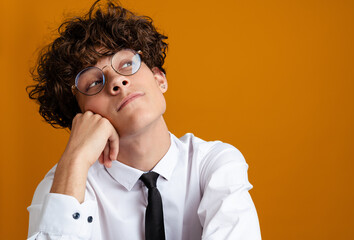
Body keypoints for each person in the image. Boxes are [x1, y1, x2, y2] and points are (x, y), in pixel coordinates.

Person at [26, 0, 262, 239]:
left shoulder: (213, 164)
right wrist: (75, 160)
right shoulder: (63, 184)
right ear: (82, 117)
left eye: (127, 64)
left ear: (160, 79)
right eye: (95, 82)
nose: (117, 81)